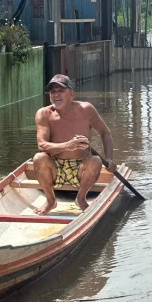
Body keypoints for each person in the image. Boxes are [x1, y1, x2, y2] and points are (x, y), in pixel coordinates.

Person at [33, 75, 117, 216]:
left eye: (61, 90)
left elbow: (105, 133)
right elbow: (42, 145)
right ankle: (50, 200)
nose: (56, 95)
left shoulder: (86, 109)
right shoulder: (44, 114)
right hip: (55, 167)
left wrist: (109, 159)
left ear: (71, 94)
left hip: (81, 168)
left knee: (96, 161)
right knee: (38, 158)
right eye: (53, 92)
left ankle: (80, 198)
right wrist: (67, 146)